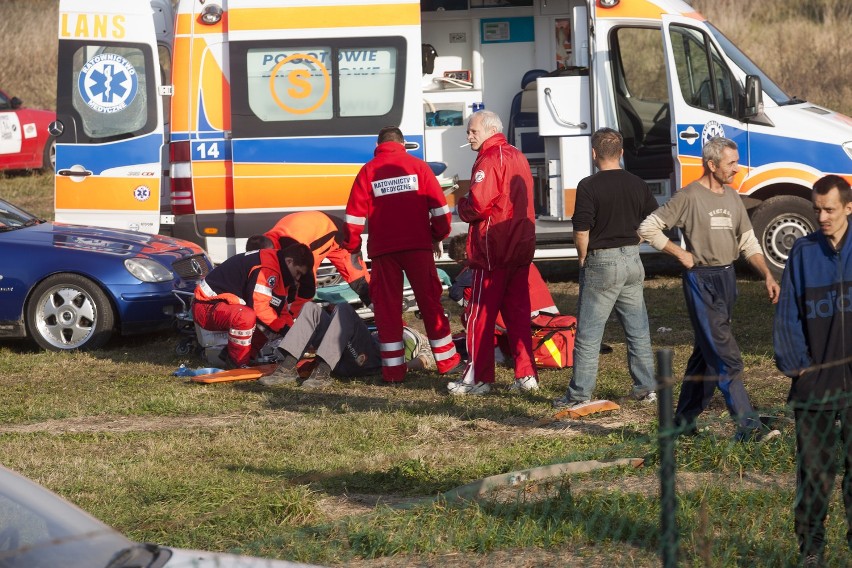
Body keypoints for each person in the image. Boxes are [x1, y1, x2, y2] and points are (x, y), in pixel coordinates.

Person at [637, 136, 780, 440]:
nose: (737, 168)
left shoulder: (732, 197)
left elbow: (748, 242)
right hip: (701, 280)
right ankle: (748, 426)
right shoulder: (688, 196)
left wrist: (767, 274)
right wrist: (679, 253)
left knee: (706, 352)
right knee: (726, 355)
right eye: (731, 163)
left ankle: (682, 423)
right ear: (712, 164)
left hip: (727, 279)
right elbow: (647, 228)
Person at [774, 174, 852, 565]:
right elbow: (788, 315)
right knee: (814, 475)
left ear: (848, 208)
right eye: (816, 209)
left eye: (829, 209)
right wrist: (798, 369)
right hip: (815, 386)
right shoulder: (803, 254)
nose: (821, 216)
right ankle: (812, 551)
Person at [343, 126, 461, 383]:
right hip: (418, 247)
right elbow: (441, 210)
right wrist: (436, 235)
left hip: (384, 252)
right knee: (430, 303)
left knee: (387, 309)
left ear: (378, 145)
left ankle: (394, 370)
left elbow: (353, 217)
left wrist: (353, 248)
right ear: (403, 143)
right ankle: (447, 362)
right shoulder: (419, 167)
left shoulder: (368, 171)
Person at [553, 128, 658, 409]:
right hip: (633, 260)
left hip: (602, 260)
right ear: (622, 153)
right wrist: (637, 240)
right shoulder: (637, 183)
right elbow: (654, 220)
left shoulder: (588, 185)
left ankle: (579, 395)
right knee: (637, 331)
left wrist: (582, 258)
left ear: (593, 153)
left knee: (589, 334)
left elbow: (582, 229)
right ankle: (646, 388)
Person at [450, 109, 538, 395]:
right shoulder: (517, 155)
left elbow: (478, 205)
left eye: (473, 131)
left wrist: (460, 205)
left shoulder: (489, 158)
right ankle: (526, 375)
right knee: (518, 316)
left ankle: (478, 378)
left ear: (489, 130)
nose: (469, 136)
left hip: (493, 250)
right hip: (519, 248)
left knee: (479, 316)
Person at [260, 301, 437, 389]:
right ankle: (288, 366)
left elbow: (425, 361)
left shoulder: (421, 338)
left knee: (344, 308)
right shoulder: (379, 330)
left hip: (368, 360)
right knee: (311, 308)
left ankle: (322, 373)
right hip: (345, 352)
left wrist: (395, 368)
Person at [192, 243, 314, 368]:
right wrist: (283, 329)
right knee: (247, 316)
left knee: (271, 319)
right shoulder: (269, 268)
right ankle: (237, 363)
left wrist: (293, 332)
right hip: (205, 306)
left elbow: (280, 310)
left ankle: (239, 355)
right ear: (289, 261)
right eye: (298, 272)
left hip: (221, 305)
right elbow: (259, 307)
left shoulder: (277, 266)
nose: (297, 278)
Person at [264, 211, 371, 315]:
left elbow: (307, 290)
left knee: (360, 282)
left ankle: (381, 312)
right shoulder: (265, 249)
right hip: (314, 230)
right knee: (289, 285)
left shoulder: (298, 253)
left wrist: (290, 315)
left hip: (336, 234)